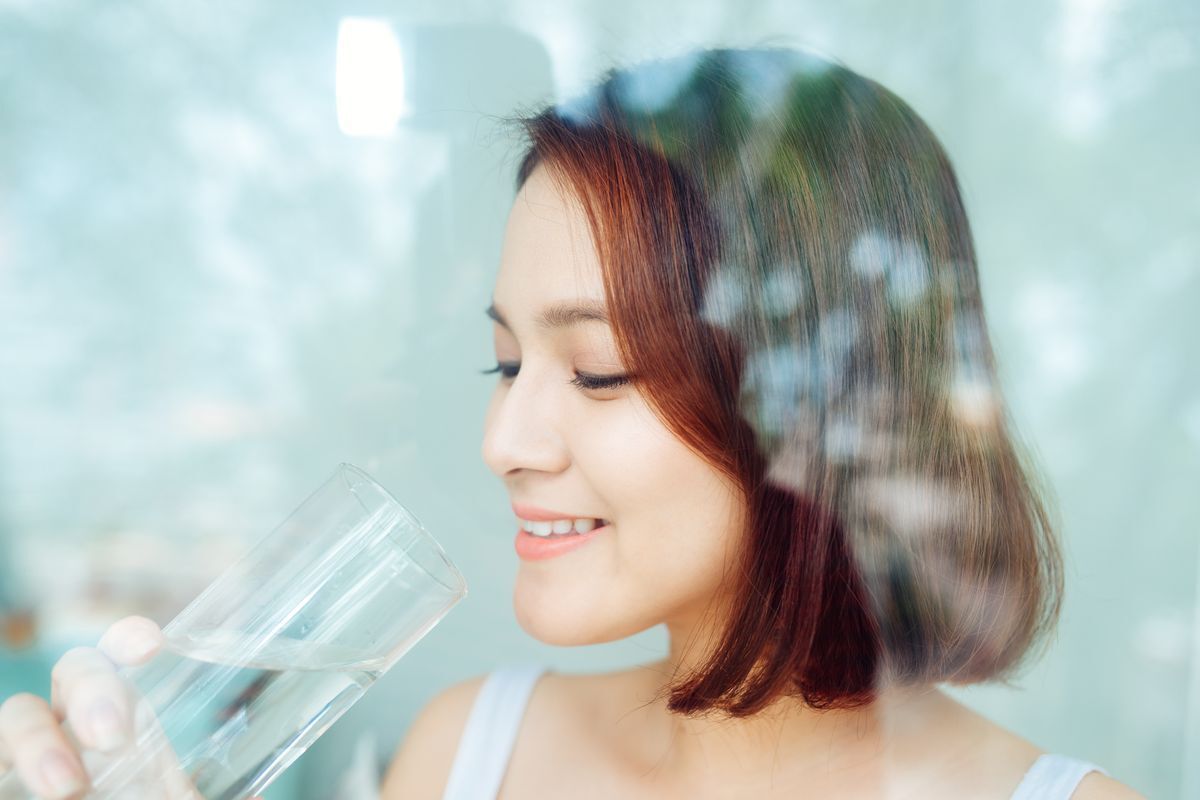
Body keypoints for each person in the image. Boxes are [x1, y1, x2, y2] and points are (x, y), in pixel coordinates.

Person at [0, 45, 1144, 799]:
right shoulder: (470, 755)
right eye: (505, 361)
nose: (506, 440)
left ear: (819, 410)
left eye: (595, 371)